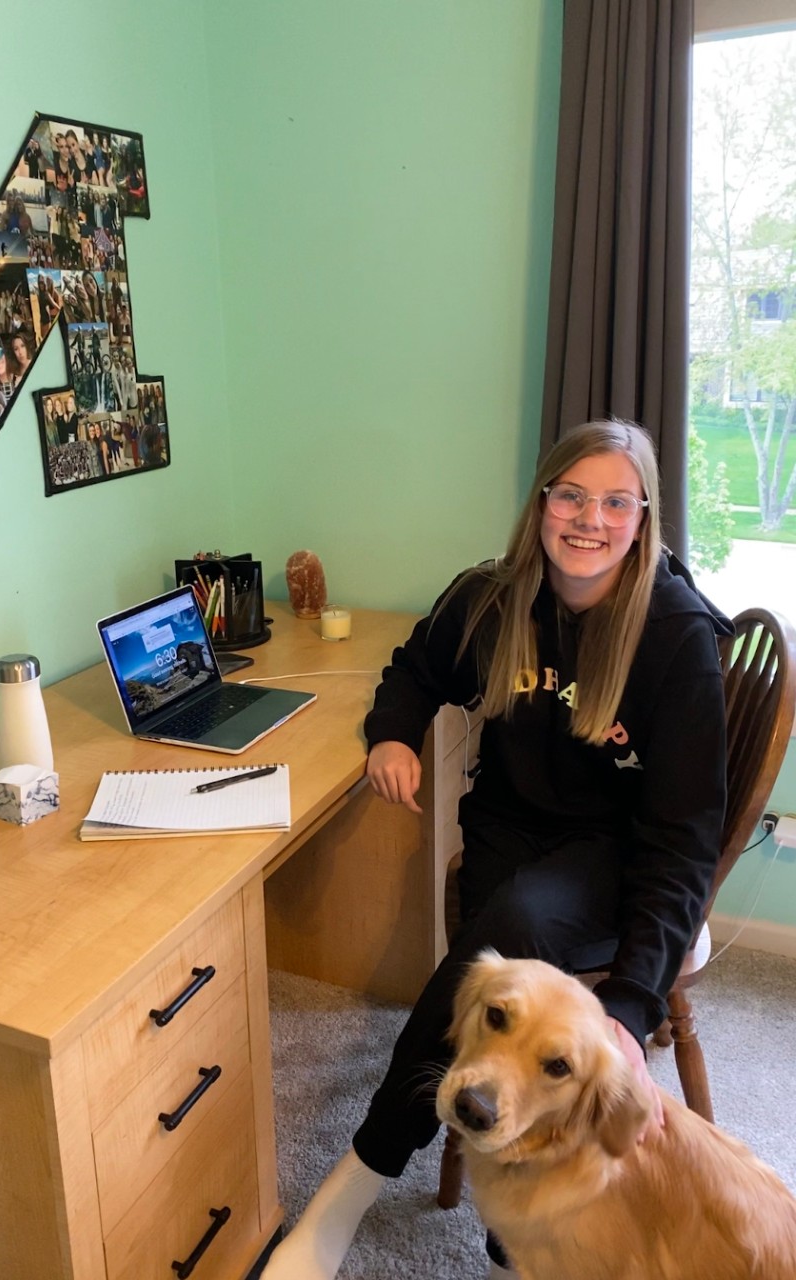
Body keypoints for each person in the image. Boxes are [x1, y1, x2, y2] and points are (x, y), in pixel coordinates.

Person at [261, 419, 732, 1280]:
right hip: (508, 830)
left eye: (616, 503)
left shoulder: (675, 635)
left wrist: (631, 1007)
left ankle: (353, 1185)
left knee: (507, 936)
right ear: (540, 503)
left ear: (644, 518)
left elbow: (684, 839)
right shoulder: (491, 596)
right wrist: (394, 734)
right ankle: (510, 1238)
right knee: (502, 969)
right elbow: (415, 668)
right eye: (571, 496)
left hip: (614, 853)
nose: (590, 520)